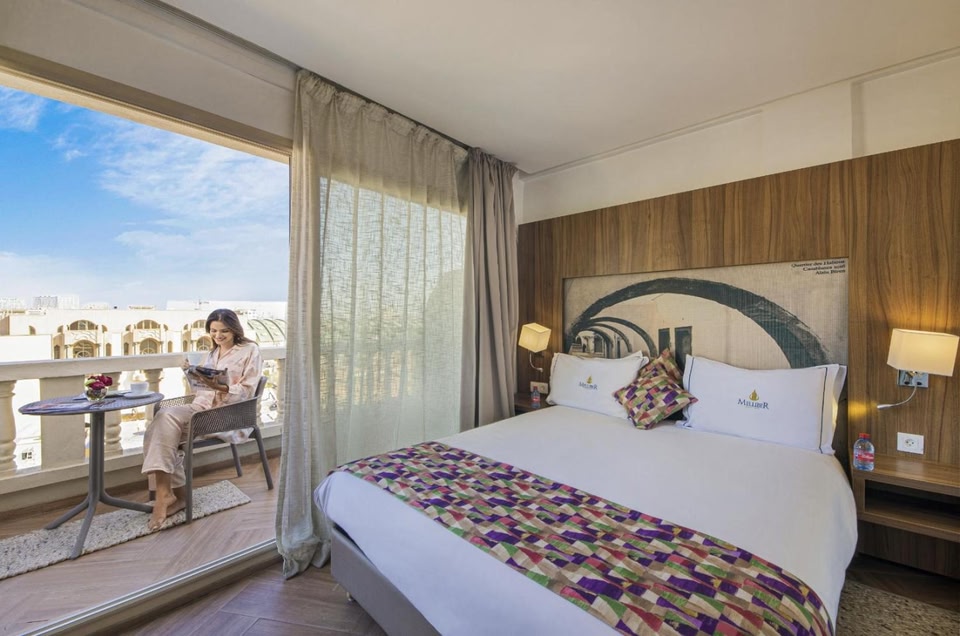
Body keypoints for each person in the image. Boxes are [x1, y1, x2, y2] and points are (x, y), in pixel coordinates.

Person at [142, 308, 263, 531]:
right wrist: (193, 375)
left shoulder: (250, 350)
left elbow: (248, 390)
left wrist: (221, 387)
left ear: (235, 329)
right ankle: (168, 494)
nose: (218, 335)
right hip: (200, 407)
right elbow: (200, 391)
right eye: (213, 331)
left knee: (162, 429)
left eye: (224, 331)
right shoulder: (211, 354)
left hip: (227, 413)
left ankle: (169, 495)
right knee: (162, 418)